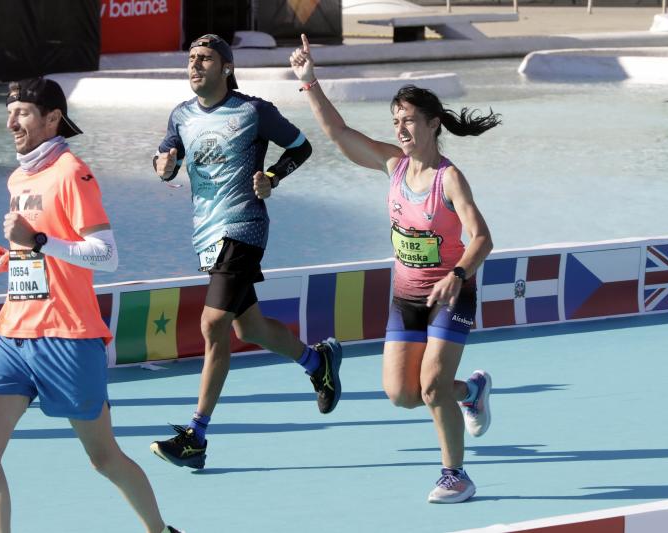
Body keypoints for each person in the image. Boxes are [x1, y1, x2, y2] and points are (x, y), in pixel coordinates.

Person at [0, 77, 181, 533]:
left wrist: (38, 240)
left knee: (104, 458)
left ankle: (160, 531)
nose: (11, 122)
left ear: (52, 119)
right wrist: (14, 257)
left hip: (67, 337)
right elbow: (43, 250)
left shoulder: (72, 172)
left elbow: (105, 254)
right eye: (10, 112)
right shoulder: (19, 175)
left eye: (22, 112)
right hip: (13, 336)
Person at [290, 35, 498, 503]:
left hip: (451, 294)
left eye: (408, 120)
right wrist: (310, 83)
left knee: (429, 386)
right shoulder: (393, 166)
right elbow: (340, 134)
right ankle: (472, 391)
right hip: (406, 299)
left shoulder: (450, 179)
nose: (401, 128)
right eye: (396, 121)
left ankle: (455, 475)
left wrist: (457, 274)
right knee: (402, 394)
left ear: (433, 123)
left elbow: (482, 238)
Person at [149, 34, 342, 470]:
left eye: (205, 59)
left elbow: (301, 146)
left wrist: (272, 176)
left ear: (227, 68)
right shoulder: (180, 115)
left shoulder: (253, 111)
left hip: (244, 227)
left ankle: (196, 435)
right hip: (206, 234)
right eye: (192, 58)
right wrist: (163, 166)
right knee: (247, 328)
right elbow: (168, 156)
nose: (195, 65)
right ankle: (318, 362)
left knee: (213, 324)